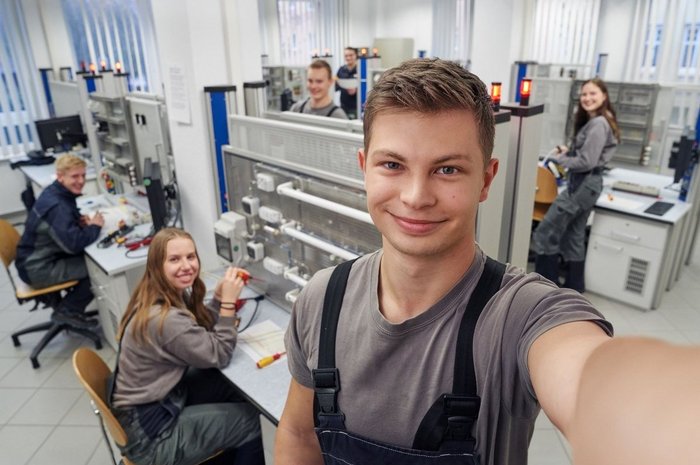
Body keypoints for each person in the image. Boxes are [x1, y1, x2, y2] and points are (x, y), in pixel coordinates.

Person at [274, 59, 700, 465]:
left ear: (487, 179)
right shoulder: (321, 299)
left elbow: (598, 381)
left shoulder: (521, 315)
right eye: (392, 165)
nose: (416, 196)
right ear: (364, 169)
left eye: (447, 170)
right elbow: (297, 435)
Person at [110, 228, 264, 465]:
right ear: (157, 266)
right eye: (174, 259)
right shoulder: (164, 318)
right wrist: (229, 305)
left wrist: (218, 300)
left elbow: (193, 335)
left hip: (149, 409)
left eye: (190, 257)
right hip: (152, 437)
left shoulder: (157, 294)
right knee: (254, 421)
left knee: (229, 387)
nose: (186, 265)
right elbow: (219, 353)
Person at [533, 78, 620, 292]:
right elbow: (587, 155)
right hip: (589, 185)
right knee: (574, 236)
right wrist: (569, 152)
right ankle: (574, 288)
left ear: (604, 96)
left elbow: (586, 162)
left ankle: (547, 290)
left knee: (544, 233)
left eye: (593, 94)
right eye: (584, 94)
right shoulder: (599, 121)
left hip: (581, 184)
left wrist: (559, 159)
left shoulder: (598, 123)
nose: (587, 98)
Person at [15, 154, 104, 329]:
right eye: (75, 176)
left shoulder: (54, 192)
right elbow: (73, 245)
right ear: (60, 176)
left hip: (33, 260)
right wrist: (94, 227)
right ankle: (67, 310)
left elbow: (61, 227)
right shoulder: (58, 206)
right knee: (96, 269)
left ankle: (68, 306)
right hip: (38, 268)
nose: (81, 181)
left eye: (83, 175)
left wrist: (77, 222)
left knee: (91, 262)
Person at [336, 47, 359, 119]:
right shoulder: (341, 69)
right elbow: (336, 85)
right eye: (346, 56)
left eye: (351, 55)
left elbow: (368, 86)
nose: (348, 58)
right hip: (343, 106)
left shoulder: (361, 69)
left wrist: (356, 90)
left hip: (357, 107)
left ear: (356, 55)